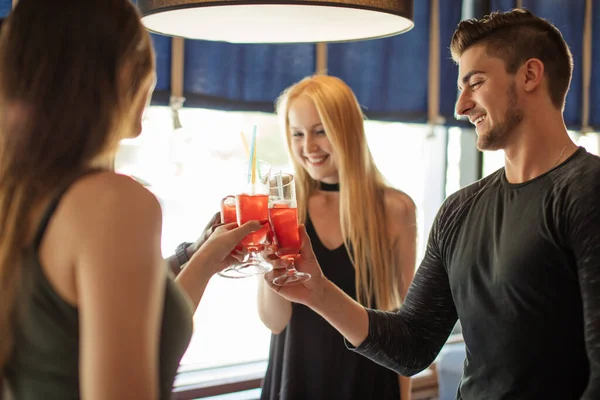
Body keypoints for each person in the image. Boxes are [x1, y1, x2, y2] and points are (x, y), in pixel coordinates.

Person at [265, 8, 600, 400]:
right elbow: (412, 345)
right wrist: (317, 291)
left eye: (475, 83)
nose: (460, 106)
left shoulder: (587, 191)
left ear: (529, 75)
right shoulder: (459, 211)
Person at [0, 1, 260, 399]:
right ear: (118, 72)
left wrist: (204, 258)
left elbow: (132, 334)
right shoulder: (113, 202)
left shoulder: (20, 196)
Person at [258, 75, 418, 400]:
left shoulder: (395, 209)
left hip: (370, 382)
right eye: (297, 134)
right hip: (295, 378)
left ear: (347, 129)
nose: (308, 147)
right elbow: (275, 323)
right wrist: (268, 266)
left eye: (320, 131)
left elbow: (407, 328)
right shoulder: (284, 210)